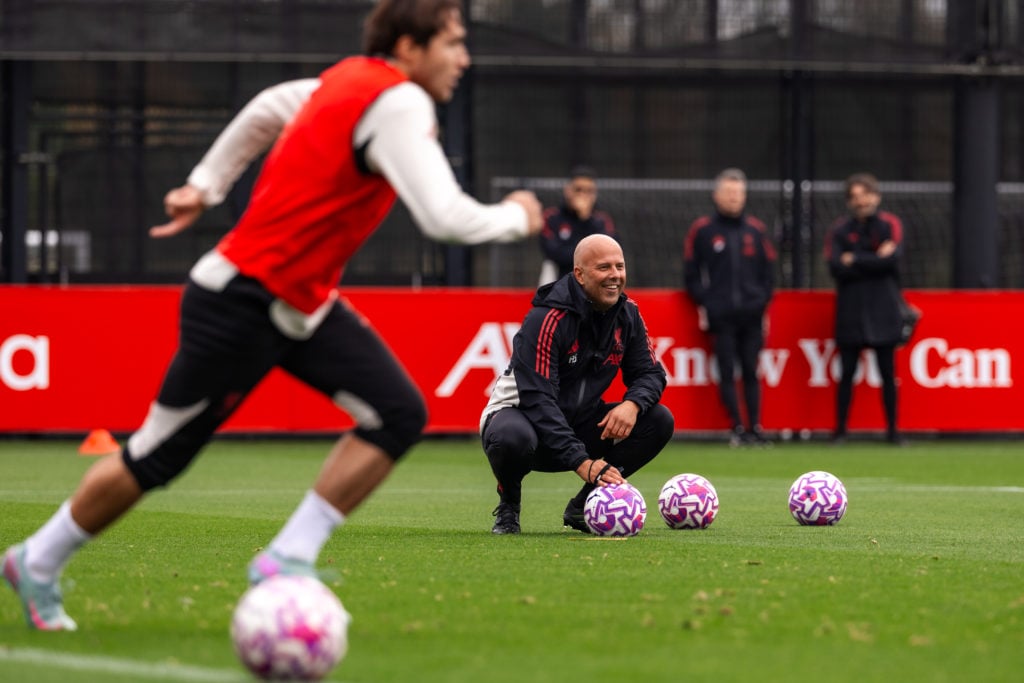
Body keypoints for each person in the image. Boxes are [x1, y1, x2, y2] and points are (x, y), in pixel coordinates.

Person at [2, 0, 543, 632]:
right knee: (154, 458)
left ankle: (287, 557)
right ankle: (35, 560)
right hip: (241, 303)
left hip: (296, 305)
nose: (463, 58)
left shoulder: (341, 84)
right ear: (407, 46)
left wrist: (205, 185)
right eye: (452, 42)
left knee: (398, 413)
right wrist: (517, 217)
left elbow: (265, 109)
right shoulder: (399, 101)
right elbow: (445, 219)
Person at [480, 234, 674, 535]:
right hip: (524, 421)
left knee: (659, 420)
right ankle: (508, 506)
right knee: (511, 438)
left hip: (579, 424)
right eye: (604, 267)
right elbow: (539, 401)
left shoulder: (628, 314)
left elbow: (651, 373)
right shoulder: (546, 318)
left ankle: (585, 506)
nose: (615, 276)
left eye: (620, 267)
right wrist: (582, 463)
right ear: (579, 274)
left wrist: (632, 404)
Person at [683, 168, 776, 447]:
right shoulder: (703, 230)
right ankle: (736, 427)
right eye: (729, 192)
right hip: (721, 315)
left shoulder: (756, 230)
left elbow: (768, 272)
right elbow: (691, 273)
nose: (734, 198)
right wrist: (708, 301)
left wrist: (761, 301)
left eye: (738, 193)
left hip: (751, 313)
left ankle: (755, 428)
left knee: (751, 369)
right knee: (726, 370)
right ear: (717, 196)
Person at [824, 172, 906, 445]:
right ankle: (840, 430)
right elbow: (836, 267)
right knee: (846, 372)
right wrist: (872, 259)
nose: (862, 201)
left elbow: (892, 262)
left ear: (876, 196)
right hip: (851, 311)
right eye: (856, 197)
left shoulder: (889, 224)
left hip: (884, 309)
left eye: (866, 195)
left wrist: (855, 259)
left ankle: (893, 431)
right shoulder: (839, 230)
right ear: (849, 201)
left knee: (887, 373)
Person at [537, 165, 617, 285]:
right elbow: (554, 253)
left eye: (589, 191)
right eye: (578, 190)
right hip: (559, 284)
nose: (583, 195)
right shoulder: (552, 217)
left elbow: (608, 255)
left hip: (594, 286)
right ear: (568, 190)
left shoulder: (602, 221)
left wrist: (585, 220)